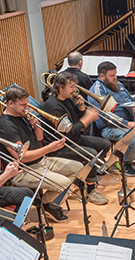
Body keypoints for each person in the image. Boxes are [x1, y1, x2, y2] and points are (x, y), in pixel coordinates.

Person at [0, 85, 85, 222]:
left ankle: (47, 202)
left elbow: (39, 138)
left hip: (41, 161)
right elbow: (22, 158)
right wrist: (49, 148)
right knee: (65, 182)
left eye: (27, 104)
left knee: (79, 168)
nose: (26, 108)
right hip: (23, 171)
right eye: (23, 105)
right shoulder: (5, 126)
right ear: (10, 103)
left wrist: (37, 124)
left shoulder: (22, 115)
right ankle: (46, 204)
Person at [41, 72, 110, 204]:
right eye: (71, 86)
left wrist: (81, 108)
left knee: (105, 144)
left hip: (74, 139)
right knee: (92, 155)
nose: (75, 90)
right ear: (61, 87)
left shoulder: (67, 99)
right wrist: (86, 119)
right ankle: (91, 190)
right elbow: (68, 132)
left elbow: (77, 124)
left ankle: (86, 175)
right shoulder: (53, 106)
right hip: (60, 145)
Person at [90, 61, 135, 177]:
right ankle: (124, 162)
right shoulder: (97, 91)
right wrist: (127, 124)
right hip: (110, 127)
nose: (115, 78)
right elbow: (105, 115)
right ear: (102, 76)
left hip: (130, 121)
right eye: (112, 76)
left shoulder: (118, 84)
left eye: (115, 75)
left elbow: (133, 102)